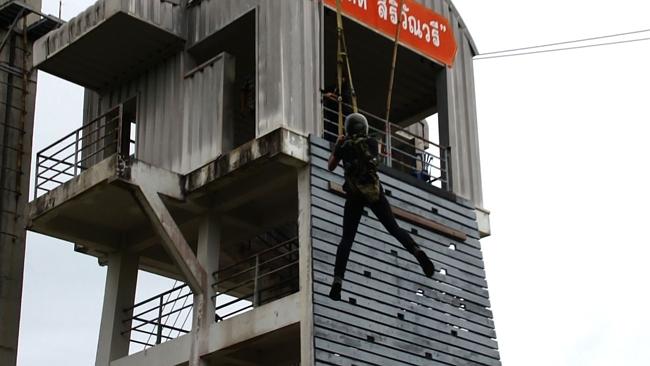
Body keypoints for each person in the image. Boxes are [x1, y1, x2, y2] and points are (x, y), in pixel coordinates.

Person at [328, 113, 435, 301]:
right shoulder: (371, 143)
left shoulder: (343, 146)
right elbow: (375, 162)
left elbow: (331, 166)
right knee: (394, 228)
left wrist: (338, 145)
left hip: (354, 195)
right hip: (374, 192)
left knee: (346, 240)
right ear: (365, 128)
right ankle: (417, 252)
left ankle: (337, 281)